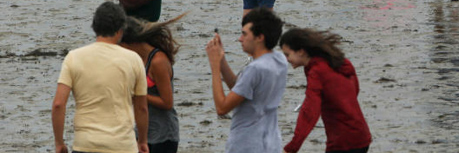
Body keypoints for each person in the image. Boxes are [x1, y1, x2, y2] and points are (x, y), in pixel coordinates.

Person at [52, 1, 149, 153]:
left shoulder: (74, 57)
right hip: (122, 145)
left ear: (95, 27)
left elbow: (58, 104)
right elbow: (141, 107)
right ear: (120, 30)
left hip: (86, 144)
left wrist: (59, 142)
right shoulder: (134, 59)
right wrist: (142, 140)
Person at [205, 8, 287, 153]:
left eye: (244, 34)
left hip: (247, 144)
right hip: (271, 142)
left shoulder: (255, 69)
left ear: (259, 37)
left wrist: (215, 66)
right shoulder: (279, 60)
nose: (240, 39)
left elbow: (222, 108)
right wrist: (222, 61)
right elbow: (241, 89)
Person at [280, 28, 372, 153]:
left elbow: (310, 112)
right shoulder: (340, 62)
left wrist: (292, 147)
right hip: (361, 136)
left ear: (301, 51)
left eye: (287, 54)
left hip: (343, 142)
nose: (286, 59)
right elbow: (354, 90)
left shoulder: (317, 71)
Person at [121, 15, 186, 153]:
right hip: (141, 133)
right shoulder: (135, 59)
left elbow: (167, 102)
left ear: (131, 42)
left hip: (163, 135)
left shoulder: (158, 62)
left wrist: (137, 94)